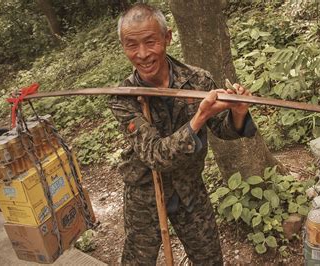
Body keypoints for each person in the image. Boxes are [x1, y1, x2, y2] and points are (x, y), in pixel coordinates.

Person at [109, 3, 256, 265]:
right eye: (132, 45)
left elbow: (223, 129)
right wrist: (199, 117)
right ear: (122, 46)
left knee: (209, 258)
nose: (142, 54)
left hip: (190, 187)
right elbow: (156, 156)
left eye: (150, 42)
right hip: (144, 193)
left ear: (167, 38)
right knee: (137, 261)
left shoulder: (198, 80)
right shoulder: (124, 97)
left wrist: (238, 111)